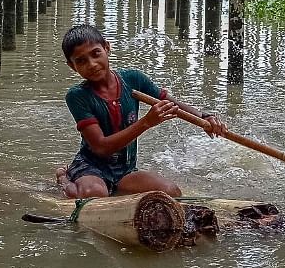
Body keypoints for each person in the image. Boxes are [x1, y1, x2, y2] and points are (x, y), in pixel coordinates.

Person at [55, 24, 226, 199]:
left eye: (96, 53)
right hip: (90, 167)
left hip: (124, 170)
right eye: (81, 61)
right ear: (72, 66)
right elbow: (100, 147)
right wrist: (146, 122)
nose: (92, 64)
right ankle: (64, 178)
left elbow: (172, 104)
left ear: (107, 48)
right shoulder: (77, 96)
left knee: (170, 192)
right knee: (94, 194)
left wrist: (205, 117)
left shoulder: (133, 79)